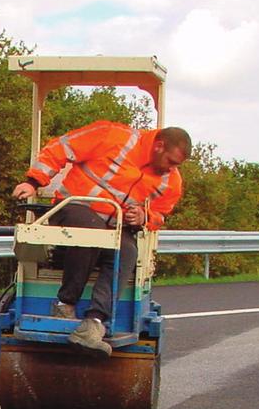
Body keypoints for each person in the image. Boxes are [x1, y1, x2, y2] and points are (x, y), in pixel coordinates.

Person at [12, 119, 191, 356]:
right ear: (158, 146)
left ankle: (93, 324)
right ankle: (65, 305)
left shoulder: (171, 181)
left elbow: (161, 215)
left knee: (128, 252)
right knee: (91, 231)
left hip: (116, 227)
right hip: (72, 208)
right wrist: (33, 182)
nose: (171, 169)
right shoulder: (113, 136)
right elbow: (61, 148)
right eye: (170, 162)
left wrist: (144, 216)